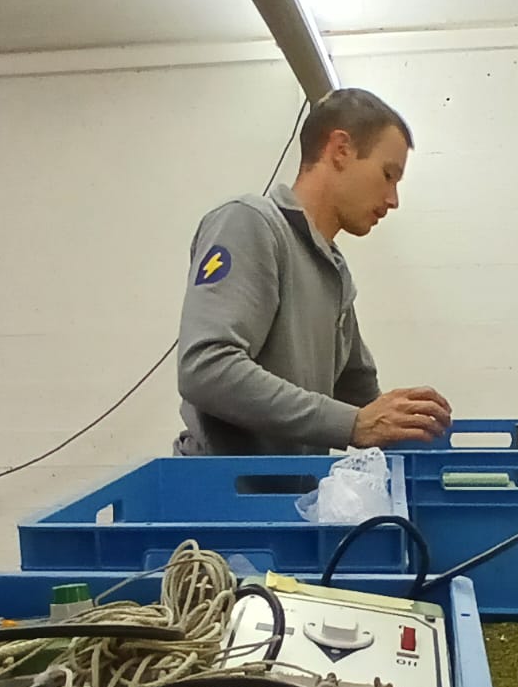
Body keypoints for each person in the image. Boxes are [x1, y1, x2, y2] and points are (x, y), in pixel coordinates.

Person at [175, 88, 450, 456]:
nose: (393, 200)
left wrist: (406, 424)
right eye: (388, 175)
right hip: (220, 488)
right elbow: (206, 369)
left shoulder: (334, 271)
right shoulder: (251, 223)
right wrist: (352, 424)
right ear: (340, 149)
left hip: (296, 490)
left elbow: (360, 397)